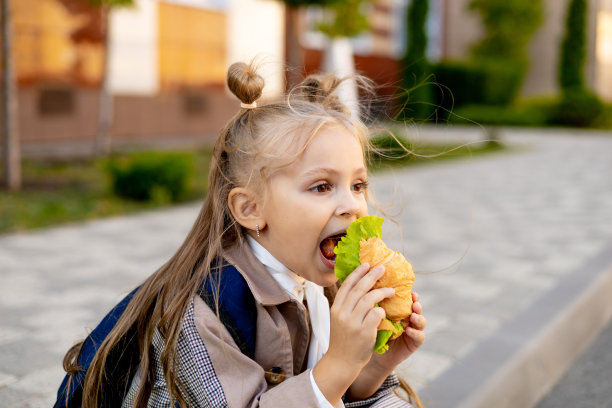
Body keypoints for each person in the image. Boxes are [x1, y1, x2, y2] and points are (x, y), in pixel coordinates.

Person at [57, 62, 427, 408]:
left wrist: (374, 364)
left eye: (358, 184)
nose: (352, 205)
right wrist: (341, 360)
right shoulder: (201, 313)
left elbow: (330, 392)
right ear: (251, 209)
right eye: (321, 187)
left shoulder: (314, 281)